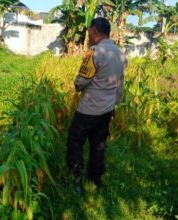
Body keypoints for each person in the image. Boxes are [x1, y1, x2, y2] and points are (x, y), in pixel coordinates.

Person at [66, 17, 127, 192]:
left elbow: (82, 82)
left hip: (89, 109)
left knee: (75, 141)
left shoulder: (94, 53)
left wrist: (76, 85)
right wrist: (114, 104)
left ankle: (76, 180)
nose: (88, 36)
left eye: (90, 33)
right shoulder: (120, 54)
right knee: (98, 144)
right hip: (107, 109)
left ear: (95, 32)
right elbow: (120, 85)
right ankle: (96, 179)